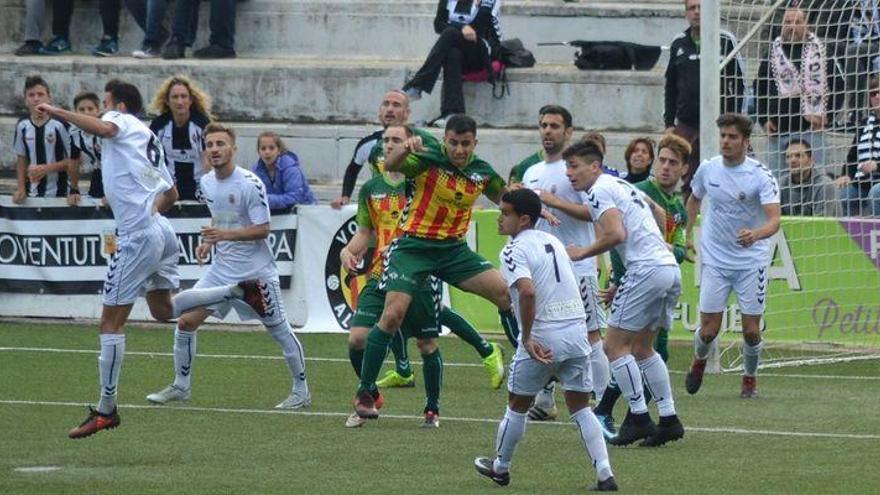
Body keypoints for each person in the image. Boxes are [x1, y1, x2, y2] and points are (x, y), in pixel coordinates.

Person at [35, 80, 265, 438]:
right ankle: (235, 290)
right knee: (163, 311)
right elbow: (171, 194)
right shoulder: (148, 137)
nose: (99, 110)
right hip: (161, 227)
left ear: (120, 106)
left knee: (110, 324)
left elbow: (103, 126)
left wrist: (58, 112)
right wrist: (146, 215)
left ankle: (106, 409)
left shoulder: (121, 122)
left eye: (105, 103)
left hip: (139, 234)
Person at [351, 114, 520, 420]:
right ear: (445, 141)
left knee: (506, 295)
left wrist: (526, 201)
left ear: (475, 144)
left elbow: (505, 199)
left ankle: (527, 369)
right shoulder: (426, 160)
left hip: (454, 251)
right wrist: (405, 147)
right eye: (453, 143)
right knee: (392, 315)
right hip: (413, 247)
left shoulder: (481, 173)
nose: (459, 150)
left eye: (465, 144)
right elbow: (391, 166)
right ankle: (365, 392)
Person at [145, 123, 310, 410]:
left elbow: (263, 229)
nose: (214, 149)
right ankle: (181, 386)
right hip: (221, 269)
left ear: (233, 148)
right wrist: (210, 241)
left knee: (279, 331)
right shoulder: (206, 183)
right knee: (185, 322)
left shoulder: (250, 183)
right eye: (209, 145)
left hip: (255, 273)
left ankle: (301, 390)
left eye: (220, 144)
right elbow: (223, 219)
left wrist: (224, 235)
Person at [473, 188, 617, 492]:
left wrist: (526, 338)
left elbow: (526, 291)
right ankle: (605, 474)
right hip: (577, 333)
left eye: (506, 213)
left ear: (524, 219)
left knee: (517, 404)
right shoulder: (553, 241)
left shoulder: (513, 250)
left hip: (544, 335)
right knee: (580, 407)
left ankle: (501, 467)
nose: (499, 219)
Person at [565, 139, 685, 447]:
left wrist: (582, 253)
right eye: (567, 166)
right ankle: (669, 419)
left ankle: (639, 417)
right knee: (644, 348)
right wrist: (656, 242)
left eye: (574, 166)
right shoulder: (619, 184)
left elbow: (616, 234)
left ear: (595, 166)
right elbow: (658, 212)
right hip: (668, 267)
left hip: (646, 269)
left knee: (614, 347)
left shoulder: (599, 190)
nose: (569, 173)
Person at [343, 125, 452, 428]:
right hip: (380, 272)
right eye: (386, 140)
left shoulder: (424, 180)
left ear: (410, 144)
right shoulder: (371, 189)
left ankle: (432, 409)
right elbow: (365, 233)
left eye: (396, 140)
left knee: (427, 343)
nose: (390, 144)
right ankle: (370, 394)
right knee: (357, 340)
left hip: (418, 271)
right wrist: (347, 252)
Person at [593, 133, 691, 438]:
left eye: (673, 162)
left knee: (645, 350)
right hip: (644, 277)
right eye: (661, 160)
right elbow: (621, 243)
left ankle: (644, 419)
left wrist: (667, 248)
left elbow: (679, 248)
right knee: (633, 349)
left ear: (684, 169)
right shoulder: (638, 191)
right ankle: (623, 416)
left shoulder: (678, 207)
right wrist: (618, 281)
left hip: (655, 276)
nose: (665, 167)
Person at [517, 105, 610, 422]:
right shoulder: (531, 172)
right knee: (543, 332)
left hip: (577, 267)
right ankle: (545, 399)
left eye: (555, 125)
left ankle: (602, 405)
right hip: (542, 270)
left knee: (591, 335)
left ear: (568, 132)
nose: (547, 131)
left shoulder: (576, 171)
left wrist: (553, 199)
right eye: (543, 124)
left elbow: (593, 213)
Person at [684, 113, 781, 399]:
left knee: (751, 331)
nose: (726, 141)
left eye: (732, 137)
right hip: (715, 260)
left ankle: (749, 379)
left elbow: (775, 219)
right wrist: (687, 233)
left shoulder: (760, 175)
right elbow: (693, 199)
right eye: (723, 136)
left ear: (745, 141)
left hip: (751, 262)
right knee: (708, 330)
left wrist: (757, 234)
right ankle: (699, 360)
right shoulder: (708, 169)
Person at [665, 0, 746, 202]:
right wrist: (669, 123)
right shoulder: (678, 43)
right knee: (687, 175)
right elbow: (671, 86)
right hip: (687, 123)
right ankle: (686, 221)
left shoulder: (726, 40)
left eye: (701, 7)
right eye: (692, 8)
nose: (697, 12)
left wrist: (736, 120)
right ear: (686, 13)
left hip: (720, 123)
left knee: (721, 173)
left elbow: (741, 83)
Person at [402, 0, 502, 126]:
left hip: (482, 52)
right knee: (452, 54)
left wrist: (457, 27)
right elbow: (438, 25)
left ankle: (417, 85)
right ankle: (453, 113)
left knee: (450, 33)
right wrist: (462, 27)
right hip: (458, 49)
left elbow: (479, 28)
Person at [756, 6, 828, 178]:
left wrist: (829, 115)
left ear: (807, 25)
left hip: (811, 129)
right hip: (779, 131)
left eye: (797, 22)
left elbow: (838, 84)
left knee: (817, 181)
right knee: (777, 183)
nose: (792, 26)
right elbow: (760, 89)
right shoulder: (772, 53)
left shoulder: (822, 52)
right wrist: (763, 119)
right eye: (787, 22)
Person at [331, 90, 424, 209]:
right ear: (380, 111)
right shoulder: (369, 143)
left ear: (407, 113)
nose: (390, 109)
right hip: (382, 213)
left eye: (396, 105)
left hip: (412, 213)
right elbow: (352, 170)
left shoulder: (419, 141)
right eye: (386, 104)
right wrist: (345, 196)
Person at [149, 75, 214, 201]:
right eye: (175, 97)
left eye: (184, 96)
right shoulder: (159, 125)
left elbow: (208, 161)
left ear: (190, 100)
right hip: (170, 188)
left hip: (199, 187)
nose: (180, 102)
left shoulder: (201, 124)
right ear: (167, 101)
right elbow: (151, 161)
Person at [13, 75, 70, 204]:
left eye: (40, 94)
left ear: (49, 98)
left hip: (60, 194)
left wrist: (47, 168)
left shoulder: (61, 124)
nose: (36, 98)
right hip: (32, 194)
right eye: (31, 95)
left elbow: (76, 160)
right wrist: (21, 188)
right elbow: (21, 159)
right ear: (25, 100)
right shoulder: (22, 125)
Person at [840, 76, 880, 216]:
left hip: (877, 183)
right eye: (873, 94)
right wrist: (845, 175)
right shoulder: (865, 123)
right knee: (842, 195)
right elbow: (852, 154)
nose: (877, 97)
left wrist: (877, 166)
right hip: (861, 181)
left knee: (876, 193)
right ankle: (845, 236)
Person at [251, 132, 316, 210]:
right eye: (263, 148)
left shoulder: (290, 168)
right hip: (276, 213)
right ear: (259, 152)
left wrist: (266, 200)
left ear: (279, 150)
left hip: (302, 212)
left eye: (271, 148)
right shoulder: (256, 170)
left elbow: (294, 198)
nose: (267, 152)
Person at [780, 139, 839, 217]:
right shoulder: (781, 184)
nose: (793, 160)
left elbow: (822, 225)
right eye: (788, 157)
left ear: (811, 160)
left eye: (798, 155)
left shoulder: (825, 185)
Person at [67, 92, 106, 205]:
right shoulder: (75, 132)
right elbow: (74, 161)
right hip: (99, 171)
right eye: (82, 109)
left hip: (118, 173)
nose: (86, 113)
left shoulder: (105, 130)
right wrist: (74, 189)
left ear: (98, 111)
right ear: (75, 112)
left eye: (90, 109)